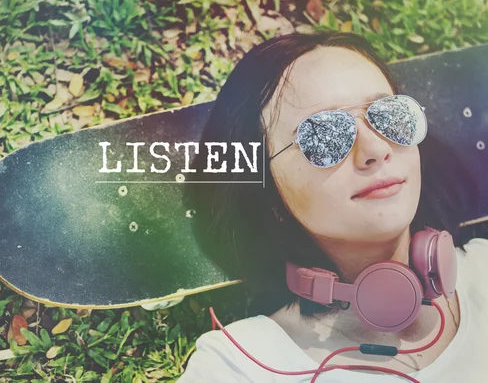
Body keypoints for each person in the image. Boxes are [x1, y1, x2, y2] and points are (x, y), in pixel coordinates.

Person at [177, 31, 488, 382]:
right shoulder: (237, 367)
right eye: (325, 136)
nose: (375, 149)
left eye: (389, 115)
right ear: (268, 194)